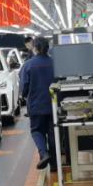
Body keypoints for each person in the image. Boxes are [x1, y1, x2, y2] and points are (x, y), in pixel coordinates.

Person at [19, 36, 56, 170]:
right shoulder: (55, 63)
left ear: (35, 48)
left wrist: (25, 96)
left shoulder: (28, 65)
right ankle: (54, 165)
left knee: (37, 131)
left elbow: (24, 88)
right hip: (53, 105)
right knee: (53, 133)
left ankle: (43, 153)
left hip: (36, 106)